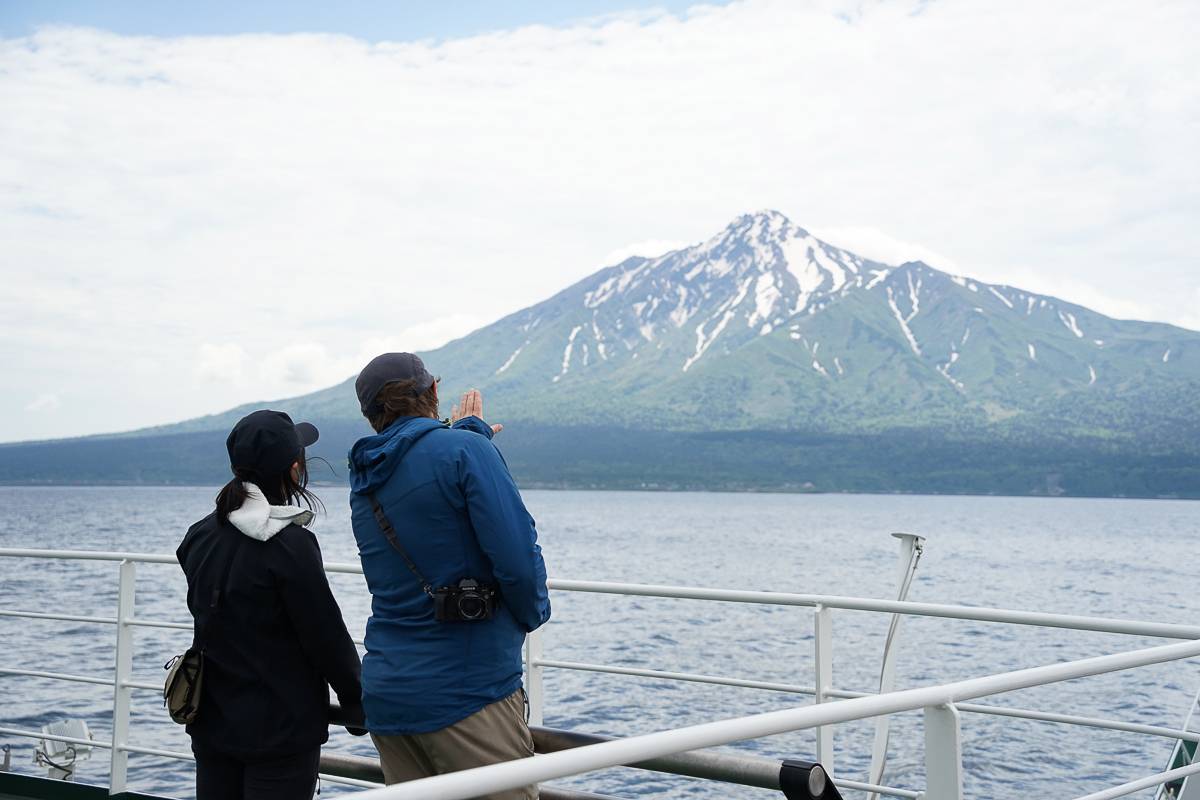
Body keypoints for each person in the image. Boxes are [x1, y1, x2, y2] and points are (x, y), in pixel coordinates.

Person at [348, 352, 551, 799]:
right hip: (467, 693)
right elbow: (517, 560)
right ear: (434, 393)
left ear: (371, 415)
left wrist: (469, 440)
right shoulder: (464, 451)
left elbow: (422, 484)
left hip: (388, 691)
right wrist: (533, 615)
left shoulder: (364, 478)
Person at [177, 410, 364, 800]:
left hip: (211, 721)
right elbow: (325, 637)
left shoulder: (200, 536)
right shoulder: (289, 544)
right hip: (280, 730)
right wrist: (356, 704)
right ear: (294, 469)